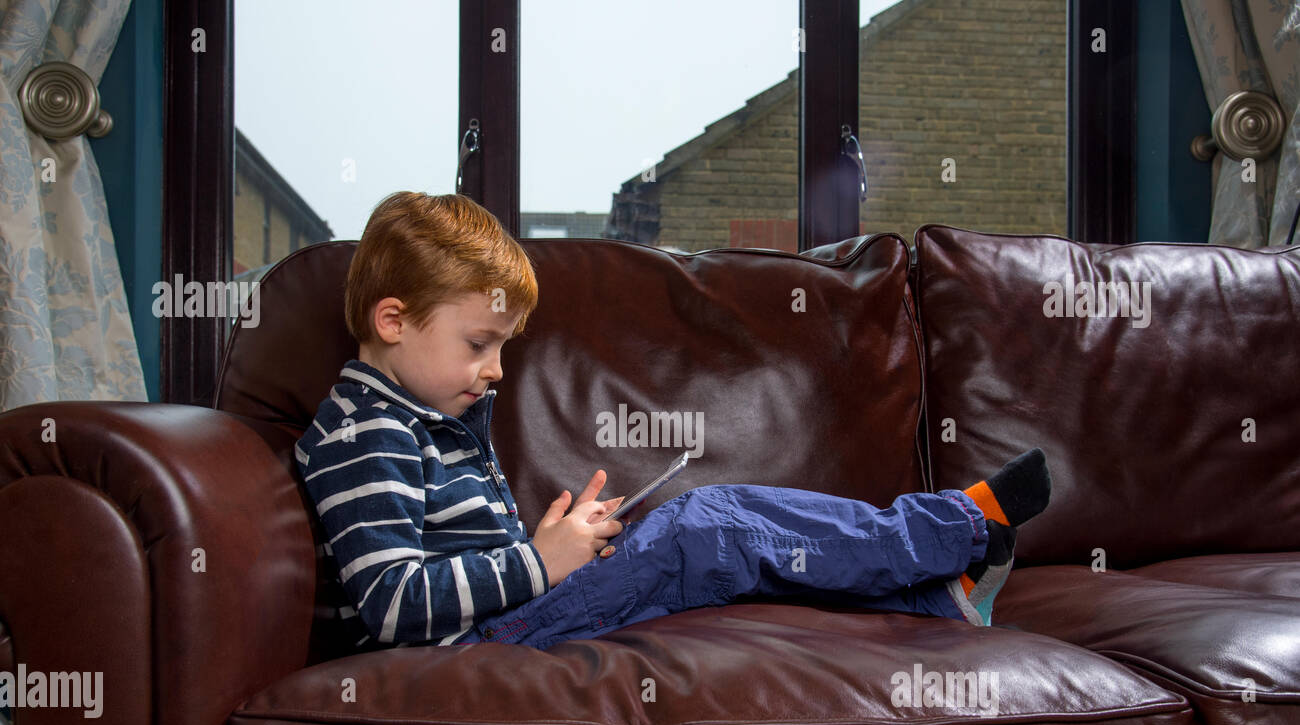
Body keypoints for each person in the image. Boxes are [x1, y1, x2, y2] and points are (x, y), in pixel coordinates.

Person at [295, 191, 1051, 652]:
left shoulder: (420, 416)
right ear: (392, 320)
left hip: (511, 620)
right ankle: (958, 525)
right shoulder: (366, 435)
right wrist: (540, 564)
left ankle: (934, 594)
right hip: (479, 648)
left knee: (717, 540)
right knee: (704, 527)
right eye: (479, 345)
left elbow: (452, 560)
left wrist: (553, 548)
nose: (496, 370)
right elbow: (394, 604)